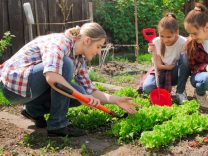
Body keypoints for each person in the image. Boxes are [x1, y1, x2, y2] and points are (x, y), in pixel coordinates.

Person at [0, 22, 139, 137]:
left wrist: (116, 100)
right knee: (66, 65)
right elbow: (52, 78)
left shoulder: (79, 59)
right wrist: (83, 96)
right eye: (98, 46)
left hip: (29, 89)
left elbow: (90, 91)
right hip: (14, 86)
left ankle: (33, 110)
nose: (98, 52)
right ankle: (58, 125)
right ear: (86, 40)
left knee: (79, 91)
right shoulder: (60, 42)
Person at [141, 13, 190, 104]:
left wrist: (172, 68)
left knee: (185, 58)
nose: (165, 40)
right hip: (161, 70)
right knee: (147, 88)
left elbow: (184, 64)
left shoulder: (183, 42)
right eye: (162, 36)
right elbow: (158, 65)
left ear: (177, 32)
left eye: (169, 37)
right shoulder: (155, 41)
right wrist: (154, 52)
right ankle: (162, 91)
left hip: (176, 72)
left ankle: (180, 92)